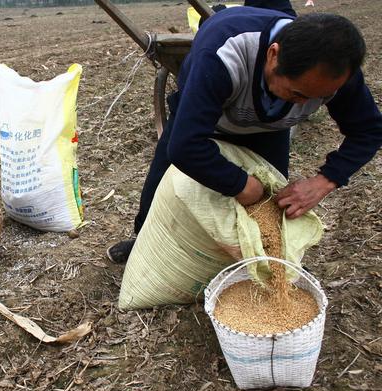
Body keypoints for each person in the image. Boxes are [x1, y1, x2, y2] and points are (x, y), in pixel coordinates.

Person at [107, 9, 382, 264]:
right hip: (204, 122)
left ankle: (267, 263)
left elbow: (369, 131)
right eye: (298, 94)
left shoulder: (336, 76)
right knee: (160, 189)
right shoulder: (224, 52)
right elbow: (184, 146)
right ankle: (144, 241)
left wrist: (325, 181)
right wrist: (239, 183)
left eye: (318, 98)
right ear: (273, 55)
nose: (305, 106)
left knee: (268, 209)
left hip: (267, 130)